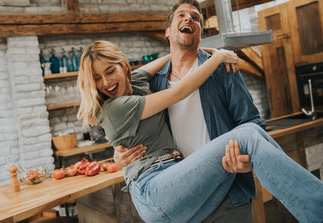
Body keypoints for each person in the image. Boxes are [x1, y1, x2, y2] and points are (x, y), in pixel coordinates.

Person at [77, 40, 323, 223]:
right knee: (247, 135)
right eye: (96, 78)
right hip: (154, 190)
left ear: (123, 65)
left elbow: (170, 57)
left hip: (175, 182)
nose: (105, 83)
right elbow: (179, 92)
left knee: (248, 134)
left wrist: (205, 50)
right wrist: (220, 57)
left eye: (110, 71)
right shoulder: (114, 108)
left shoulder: (138, 82)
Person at [114, 0, 264, 222]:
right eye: (182, 16)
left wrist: (244, 158)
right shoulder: (154, 83)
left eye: (196, 18)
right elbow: (135, 127)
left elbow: (252, 122)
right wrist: (119, 154)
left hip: (228, 195)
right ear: (168, 31)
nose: (189, 19)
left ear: (200, 33)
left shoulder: (223, 69)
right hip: (183, 199)